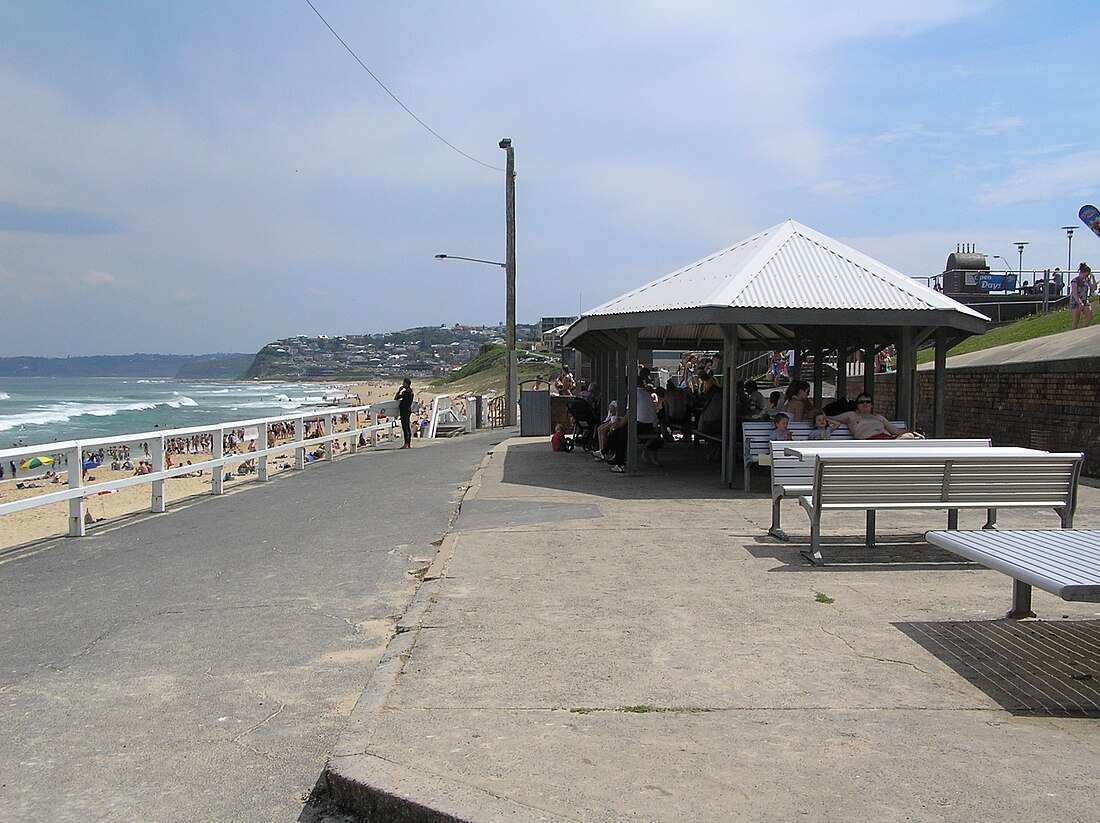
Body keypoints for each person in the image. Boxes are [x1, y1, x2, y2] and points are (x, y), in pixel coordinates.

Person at [828, 393, 922, 439]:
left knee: (909, 436)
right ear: (857, 405)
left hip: (887, 439)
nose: (865, 404)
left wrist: (914, 432)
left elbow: (896, 430)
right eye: (861, 402)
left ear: (871, 405)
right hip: (870, 442)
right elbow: (829, 417)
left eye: (868, 402)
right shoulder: (851, 415)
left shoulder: (879, 417)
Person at [1070, 263, 1094, 330]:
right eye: (1086, 274)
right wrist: (1080, 302)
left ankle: (1084, 329)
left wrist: (1092, 279)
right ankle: (1073, 332)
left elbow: (1093, 287)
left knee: (1090, 316)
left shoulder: (1087, 280)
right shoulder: (1075, 280)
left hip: (1085, 300)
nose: (1086, 276)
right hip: (1076, 301)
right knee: (1076, 319)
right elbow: (1075, 293)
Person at [395, 378, 415, 448]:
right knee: (407, 427)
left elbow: (396, 398)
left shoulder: (406, 392)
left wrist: (399, 390)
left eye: (403, 383)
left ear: (406, 384)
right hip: (408, 410)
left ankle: (406, 443)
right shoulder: (411, 391)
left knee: (405, 427)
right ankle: (408, 443)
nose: (403, 384)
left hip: (404, 411)